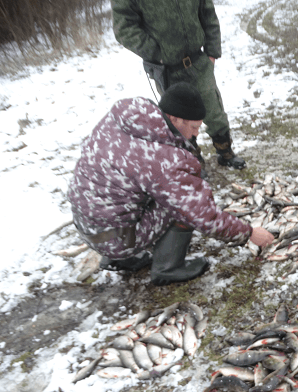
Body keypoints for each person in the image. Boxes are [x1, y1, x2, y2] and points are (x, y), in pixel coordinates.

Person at [67, 82, 274, 286]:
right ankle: (168, 268)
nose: (196, 134)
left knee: (133, 192)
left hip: (85, 224)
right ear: (175, 118)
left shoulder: (123, 117)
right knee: (182, 205)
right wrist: (248, 232)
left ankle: (116, 258)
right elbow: (201, 214)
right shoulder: (165, 159)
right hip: (116, 238)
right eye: (194, 127)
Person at [111, 0, 247, 170]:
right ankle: (192, 160)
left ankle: (225, 150)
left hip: (198, 61)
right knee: (179, 118)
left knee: (213, 108)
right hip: (167, 69)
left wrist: (212, 51)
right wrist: (158, 53)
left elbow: (207, 12)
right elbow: (124, 28)